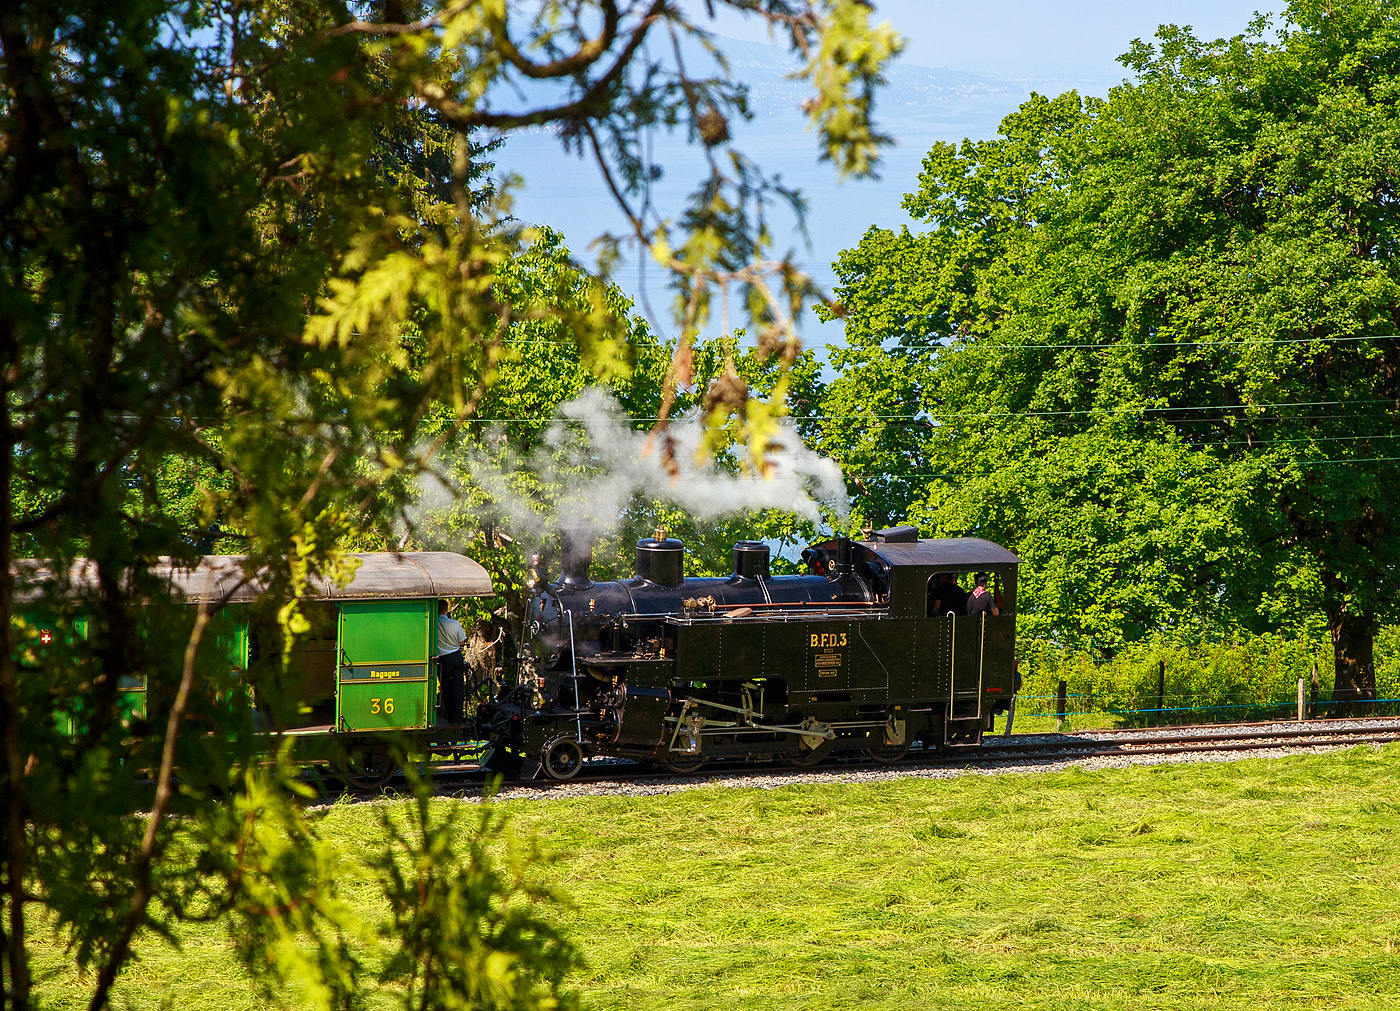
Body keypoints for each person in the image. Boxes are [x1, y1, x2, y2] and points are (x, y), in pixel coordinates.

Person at [436, 599, 468, 725]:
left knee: (446, 689)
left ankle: (449, 716)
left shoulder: (434, 623)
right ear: (446, 609)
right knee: (458, 688)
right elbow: (462, 641)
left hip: (443, 659)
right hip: (455, 656)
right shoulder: (455, 623)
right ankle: (457, 718)